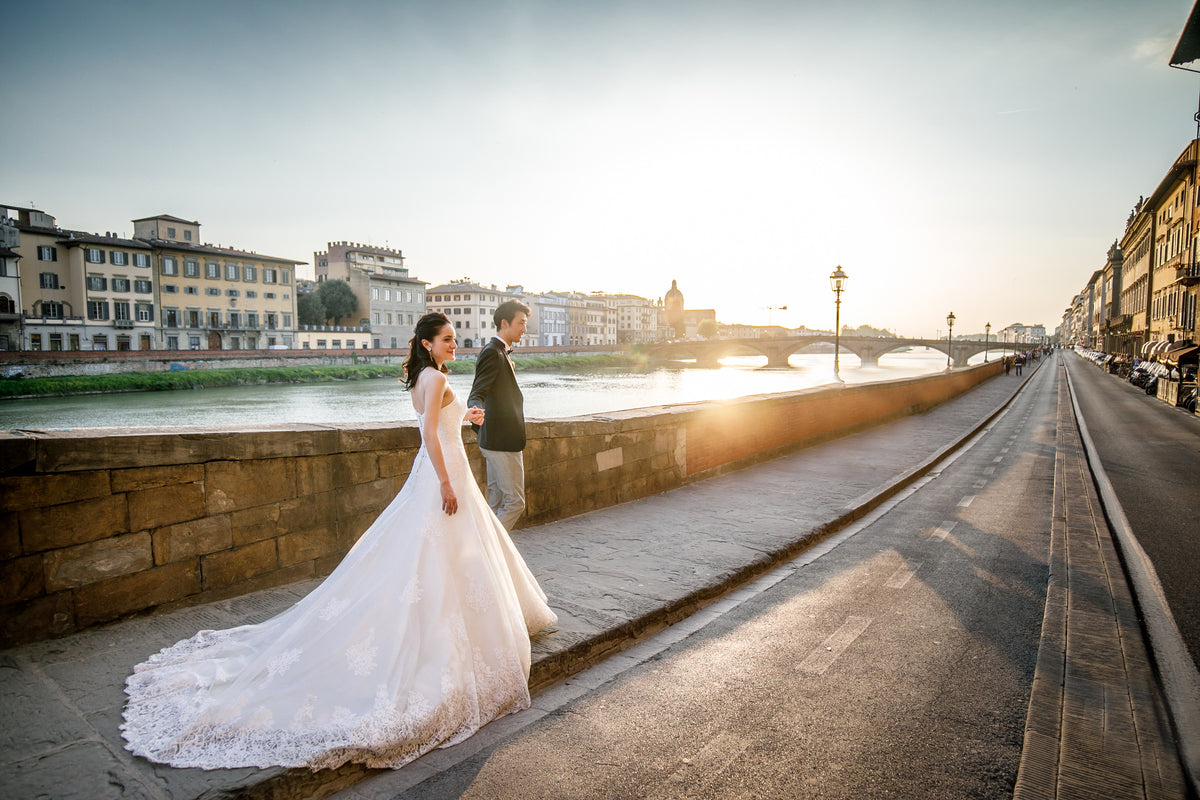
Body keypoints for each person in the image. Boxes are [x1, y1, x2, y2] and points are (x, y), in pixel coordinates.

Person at [121, 312, 557, 771]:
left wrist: (463, 416)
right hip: (444, 477)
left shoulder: (430, 376)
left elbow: (442, 426)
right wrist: (446, 484)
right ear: (427, 344)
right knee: (436, 557)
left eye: (454, 338)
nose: (454, 343)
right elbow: (428, 434)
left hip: (444, 472)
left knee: (443, 558)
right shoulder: (431, 377)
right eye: (447, 339)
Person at [469, 300, 532, 531]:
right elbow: (477, 392)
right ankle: (486, 550)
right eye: (521, 323)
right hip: (502, 440)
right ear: (504, 323)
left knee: (494, 502)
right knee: (515, 503)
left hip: (493, 438)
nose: (524, 329)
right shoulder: (493, 353)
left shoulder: (497, 353)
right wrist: (475, 412)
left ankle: (486, 558)